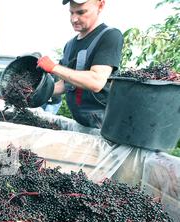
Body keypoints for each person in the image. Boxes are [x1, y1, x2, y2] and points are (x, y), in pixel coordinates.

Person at [37, 0, 124, 128]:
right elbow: (66, 84)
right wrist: (38, 93)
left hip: (103, 127)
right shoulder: (70, 45)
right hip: (82, 123)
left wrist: (54, 68)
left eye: (81, 12)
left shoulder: (110, 36)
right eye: (71, 13)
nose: (74, 19)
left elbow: (96, 81)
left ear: (100, 5)